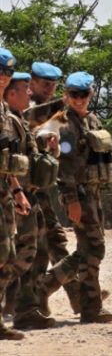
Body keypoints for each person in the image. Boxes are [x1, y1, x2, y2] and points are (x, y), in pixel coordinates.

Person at [37, 72, 112, 323]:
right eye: (73, 95)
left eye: (84, 94)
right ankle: (90, 307)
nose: (79, 99)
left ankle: (44, 286)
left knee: (88, 248)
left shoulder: (91, 119)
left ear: (90, 94)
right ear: (66, 96)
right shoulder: (65, 125)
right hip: (78, 194)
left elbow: (105, 149)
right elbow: (64, 167)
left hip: (94, 191)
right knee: (93, 247)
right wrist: (72, 199)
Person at [2, 74, 58, 331]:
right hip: (17, 195)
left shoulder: (19, 121)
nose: (29, 93)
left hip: (28, 194)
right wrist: (17, 191)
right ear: (12, 94)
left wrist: (48, 146)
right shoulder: (10, 121)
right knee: (18, 256)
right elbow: (10, 161)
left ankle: (26, 309)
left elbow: (30, 156)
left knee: (33, 255)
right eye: (25, 89)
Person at [25, 61, 81, 316]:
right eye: (45, 85)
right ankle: (29, 302)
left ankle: (77, 296)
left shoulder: (48, 111)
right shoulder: (21, 107)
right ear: (32, 83)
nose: (49, 90)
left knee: (54, 240)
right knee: (29, 248)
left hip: (39, 187)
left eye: (53, 86)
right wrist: (63, 102)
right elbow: (33, 118)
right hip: (20, 188)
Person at [0, 50, 26, 340]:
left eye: (8, 71)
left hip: (4, 192)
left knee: (7, 257)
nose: (3, 76)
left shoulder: (5, 112)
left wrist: (18, 190)